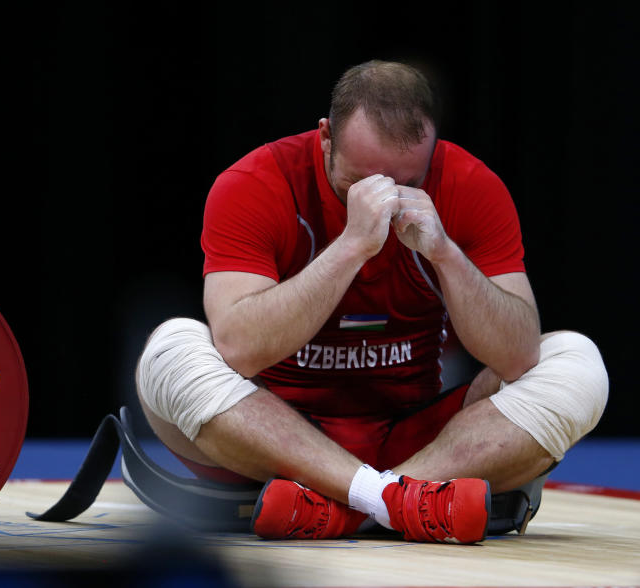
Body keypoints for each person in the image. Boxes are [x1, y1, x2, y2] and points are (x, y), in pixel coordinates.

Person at [134, 60, 608, 544]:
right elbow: (239, 348)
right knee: (169, 349)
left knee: (576, 360)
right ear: (325, 138)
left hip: (420, 439)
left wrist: (445, 253)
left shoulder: (469, 184)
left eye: (409, 183)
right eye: (356, 182)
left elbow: (518, 355)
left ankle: (347, 504)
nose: (383, 198)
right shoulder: (256, 181)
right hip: (271, 433)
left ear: (432, 151)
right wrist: (352, 244)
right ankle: (395, 501)